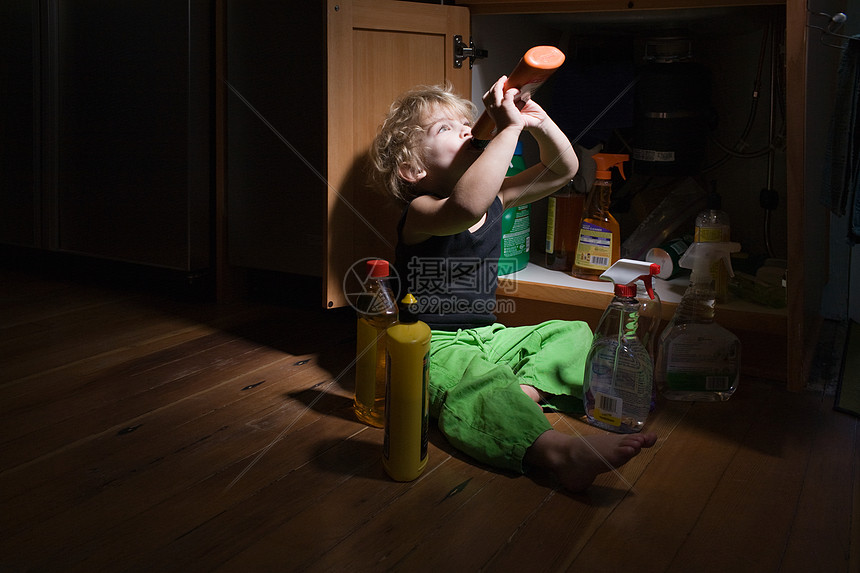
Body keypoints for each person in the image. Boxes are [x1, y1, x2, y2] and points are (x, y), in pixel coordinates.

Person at [368, 78, 657, 492]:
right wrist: (509, 130)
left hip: (489, 335)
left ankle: (515, 394)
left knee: (571, 332)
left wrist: (535, 121)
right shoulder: (423, 210)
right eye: (445, 129)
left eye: (466, 124)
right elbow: (468, 205)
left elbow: (566, 169)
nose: (467, 130)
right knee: (475, 380)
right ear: (415, 170)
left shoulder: (500, 196)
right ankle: (557, 451)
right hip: (435, 345)